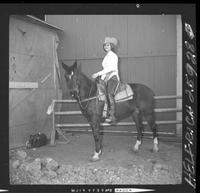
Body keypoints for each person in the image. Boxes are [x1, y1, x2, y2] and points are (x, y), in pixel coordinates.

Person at [92, 37, 120, 124]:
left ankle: (112, 116)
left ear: (111, 46)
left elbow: (110, 69)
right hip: (106, 77)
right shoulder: (107, 56)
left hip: (113, 77)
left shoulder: (113, 56)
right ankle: (103, 114)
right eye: (105, 45)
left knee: (109, 94)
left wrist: (98, 74)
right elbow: (105, 69)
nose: (106, 47)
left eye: (108, 45)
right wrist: (100, 78)